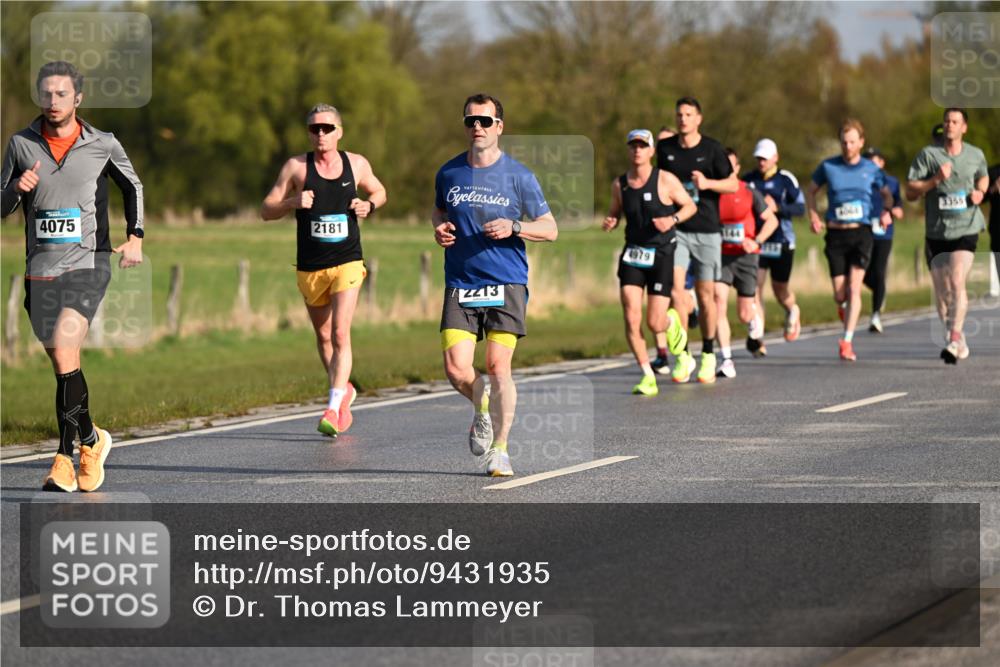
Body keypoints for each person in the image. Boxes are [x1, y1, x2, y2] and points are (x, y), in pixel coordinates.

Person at [1, 61, 144, 492]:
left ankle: (63, 458)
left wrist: (134, 236)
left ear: (77, 99)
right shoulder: (20, 145)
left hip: (89, 263)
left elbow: (132, 186)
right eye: (46, 94)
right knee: (64, 364)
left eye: (62, 94)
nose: (53, 101)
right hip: (40, 270)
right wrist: (15, 190)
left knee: (65, 348)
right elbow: (1, 206)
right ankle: (91, 439)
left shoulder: (102, 144)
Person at [432, 93, 557, 477]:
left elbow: (550, 229)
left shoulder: (520, 176)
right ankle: (481, 405)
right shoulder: (449, 172)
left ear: (499, 127)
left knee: (497, 365)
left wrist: (515, 226)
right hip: (461, 281)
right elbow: (440, 208)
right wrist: (438, 228)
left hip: (506, 281)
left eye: (486, 121)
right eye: (471, 120)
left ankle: (500, 450)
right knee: (457, 369)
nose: (478, 127)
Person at [262, 104, 387, 435]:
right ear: (309, 132)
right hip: (311, 267)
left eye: (327, 128)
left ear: (339, 132)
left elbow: (379, 190)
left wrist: (368, 205)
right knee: (323, 336)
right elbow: (266, 209)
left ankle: (332, 409)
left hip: (348, 260)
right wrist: (291, 203)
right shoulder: (296, 167)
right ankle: (343, 390)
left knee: (340, 333)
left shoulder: (356, 163)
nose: (321, 133)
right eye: (315, 128)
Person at [603, 129, 696, 395]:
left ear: (652, 151)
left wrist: (672, 220)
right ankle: (647, 375)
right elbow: (615, 212)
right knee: (631, 316)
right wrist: (611, 221)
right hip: (633, 255)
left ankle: (674, 326)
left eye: (642, 146)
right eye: (632, 145)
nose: (637, 150)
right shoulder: (619, 184)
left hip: (662, 254)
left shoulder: (665, 180)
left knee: (656, 322)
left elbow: (690, 206)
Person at [656, 97, 738, 383]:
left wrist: (708, 184)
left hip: (707, 230)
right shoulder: (665, 149)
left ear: (698, 119)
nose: (683, 119)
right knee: (676, 292)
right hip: (676, 230)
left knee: (706, 295)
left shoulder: (713, 149)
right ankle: (683, 356)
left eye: (688, 114)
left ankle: (708, 353)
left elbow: (733, 184)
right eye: (679, 114)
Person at [905, 108, 989, 364]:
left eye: (955, 121)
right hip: (937, 232)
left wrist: (980, 193)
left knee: (956, 281)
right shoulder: (929, 155)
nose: (949, 125)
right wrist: (935, 180)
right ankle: (957, 333)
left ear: (964, 127)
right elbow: (910, 192)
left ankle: (954, 337)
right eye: (946, 121)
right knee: (943, 297)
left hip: (967, 228)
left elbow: (983, 177)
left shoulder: (975, 154)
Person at [806, 119, 893, 361]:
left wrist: (886, 212)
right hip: (835, 234)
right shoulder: (828, 167)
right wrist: (813, 214)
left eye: (852, 142)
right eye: (844, 142)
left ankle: (847, 341)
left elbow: (887, 195)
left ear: (861, 142)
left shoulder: (871, 169)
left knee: (855, 288)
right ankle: (843, 309)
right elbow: (811, 191)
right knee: (840, 294)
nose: (847, 146)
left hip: (861, 233)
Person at [714, 149, 779, 378]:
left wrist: (757, 241)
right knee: (717, 302)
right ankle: (726, 359)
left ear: (738, 168)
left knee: (743, 314)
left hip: (746, 257)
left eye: (731, 166)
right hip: (722, 256)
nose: (726, 171)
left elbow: (772, 220)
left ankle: (753, 323)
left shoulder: (749, 192)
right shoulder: (713, 194)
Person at [743, 138, 805, 353]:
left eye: (765, 158)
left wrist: (777, 207)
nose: (761, 162)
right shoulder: (749, 180)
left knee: (780, 290)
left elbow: (800, 208)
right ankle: (758, 336)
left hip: (782, 241)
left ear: (775, 158)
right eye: (758, 158)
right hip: (757, 241)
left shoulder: (786, 180)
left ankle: (792, 309)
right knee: (756, 289)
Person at [861, 147, 904, 333]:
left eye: (874, 160)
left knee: (879, 270)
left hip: (884, 233)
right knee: (861, 272)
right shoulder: (861, 180)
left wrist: (893, 212)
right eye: (867, 160)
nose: (871, 164)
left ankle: (876, 315)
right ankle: (881, 291)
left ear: (882, 162)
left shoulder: (892, 182)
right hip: (863, 231)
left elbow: (900, 209)